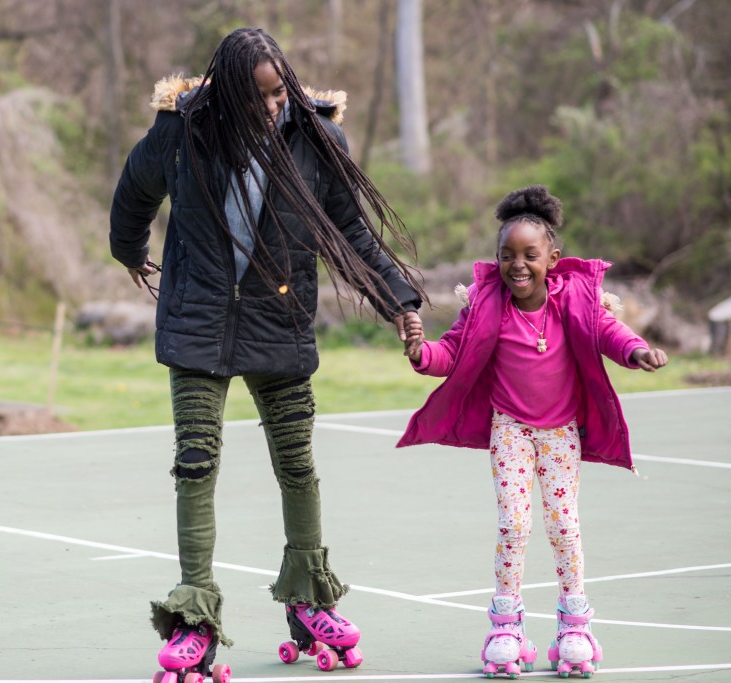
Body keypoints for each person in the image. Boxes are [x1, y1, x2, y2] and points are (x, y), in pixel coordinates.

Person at [110, 27, 426, 677]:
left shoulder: (315, 138)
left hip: (276, 320)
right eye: (258, 97)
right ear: (225, 93)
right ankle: (195, 614)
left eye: (280, 91)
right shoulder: (183, 131)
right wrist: (130, 250)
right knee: (195, 465)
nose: (273, 106)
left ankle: (309, 597)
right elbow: (135, 188)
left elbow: (352, 231)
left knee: (297, 464)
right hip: (198, 319)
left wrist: (401, 301)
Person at [397, 184, 668, 679]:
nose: (517, 265)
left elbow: (607, 332)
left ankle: (574, 625)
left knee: (564, 527)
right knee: (514, 525)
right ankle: (506, 625)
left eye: (530, 255)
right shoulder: (486, 306)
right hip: (511, 430)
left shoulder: (574, 302)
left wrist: (636, 351)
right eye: (506, 256)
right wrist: (421, 353)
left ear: (553, 258)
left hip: (561, 433)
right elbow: (450, 353)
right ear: (496, 258)